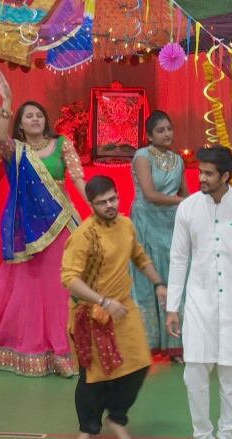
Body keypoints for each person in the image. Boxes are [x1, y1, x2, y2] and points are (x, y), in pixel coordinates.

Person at [0, 71, 86, 377]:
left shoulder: (62, 144)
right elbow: (0, 137)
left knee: (63, 284)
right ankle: (31, 344)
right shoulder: (15, 149)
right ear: (21, 124)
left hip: (61, 223)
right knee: (29, 286)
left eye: (39, 115)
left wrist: (93, 204)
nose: (35, 119)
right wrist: (8, 102)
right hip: (27, 230)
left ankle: (68, 345)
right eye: (28, 116)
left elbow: (77, 177)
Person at [166, 146, 232, 439]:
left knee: (231, 377)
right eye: (201, 171)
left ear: (225, 176)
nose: (201, 177)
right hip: (199, 302)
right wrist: (172, 307)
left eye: (208, 173)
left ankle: (227, 435)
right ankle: (202, 434)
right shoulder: (188, 208)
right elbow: (178, 258)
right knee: (194, 375)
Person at [61, 175, 166, 439]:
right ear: (91, 204)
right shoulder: (85, 235)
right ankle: (88, 429)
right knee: (93, 377)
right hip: (91, 314)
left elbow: (139, 257)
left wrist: (159, 284)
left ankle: (117, 417)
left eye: (113, 198)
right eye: (102, 202)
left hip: (123, 309)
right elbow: (69, 279)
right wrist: (103, 301)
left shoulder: (126, 225)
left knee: (140, 364)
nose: (110, 205)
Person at [130, 110, 188, 362]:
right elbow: (150, 194)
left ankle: (176, 343)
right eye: (161, 130)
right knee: (149, 277)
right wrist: (184, 201)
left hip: (172, 224)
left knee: (176, 276)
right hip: (147, 222)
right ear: (149, 135)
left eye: (169, 128)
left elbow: (186, 192)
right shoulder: (142, 156)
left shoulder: (178, 159)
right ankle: (149, 343)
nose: (167, 134)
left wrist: (193, 204)